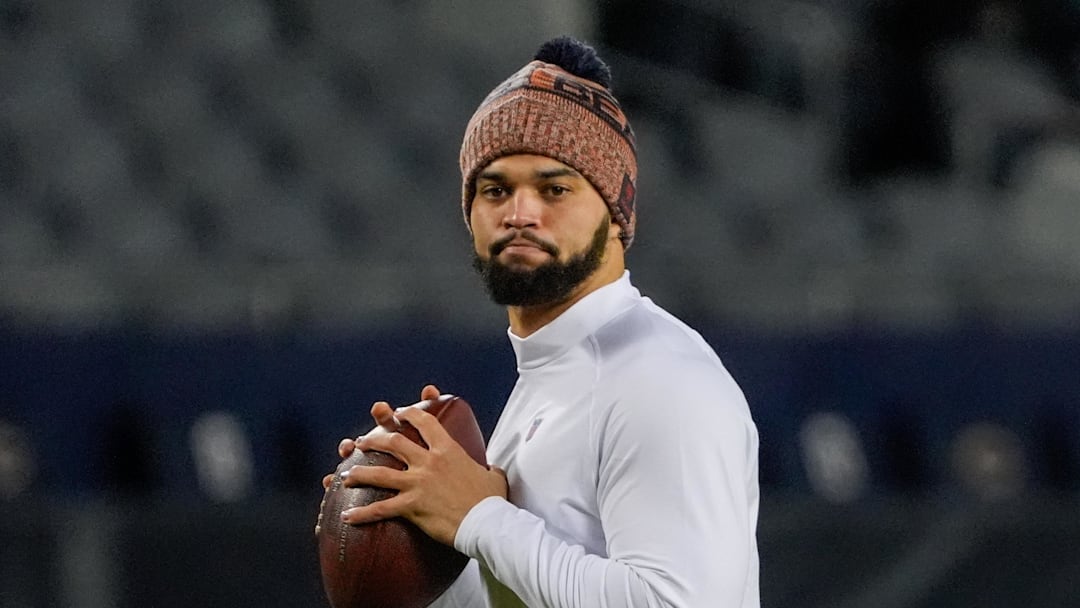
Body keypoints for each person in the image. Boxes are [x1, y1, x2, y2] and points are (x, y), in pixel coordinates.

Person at [328, 36, 760, 607]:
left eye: (554, 188)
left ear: (615, 211)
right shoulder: (546, 384)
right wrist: (412, 530)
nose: (519, 213)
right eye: (495, 189)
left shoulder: (660, 379)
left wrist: (478, 517)